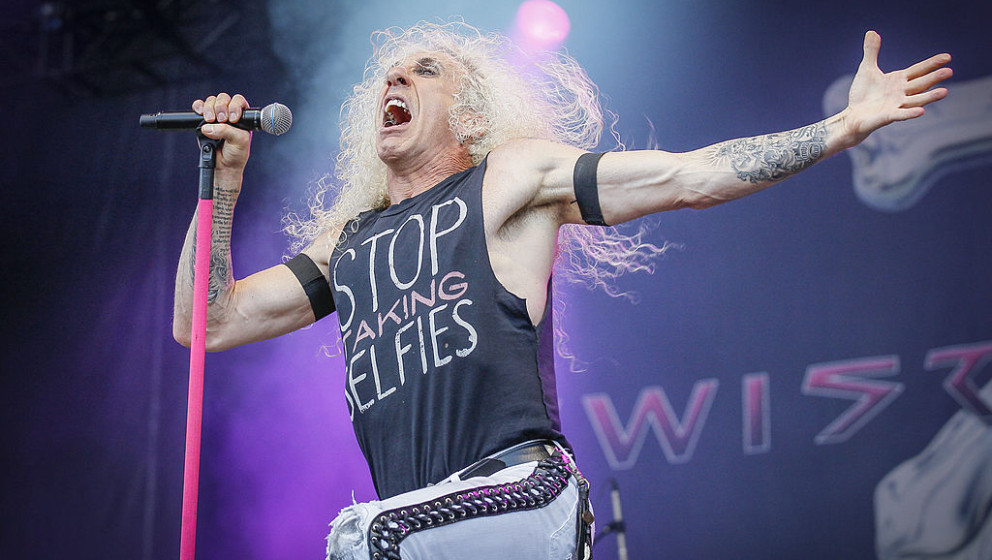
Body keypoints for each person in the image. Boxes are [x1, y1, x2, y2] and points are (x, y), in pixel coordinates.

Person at [172, 21, 952, 560]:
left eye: (424, 71)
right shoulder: (348, 245)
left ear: (470, 115)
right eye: (388, 76)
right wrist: (226, 182)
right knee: (376, 536)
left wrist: (840, 129)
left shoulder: (507, 176)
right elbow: (207, 323)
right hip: (423, 529)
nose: (395, 79)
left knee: (357, 539)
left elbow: (690, 176)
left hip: (519, 494)